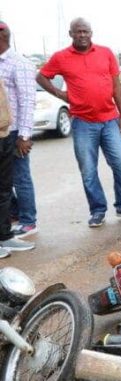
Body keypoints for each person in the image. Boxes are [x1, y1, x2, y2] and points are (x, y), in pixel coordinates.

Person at [37, 18, 121, 228]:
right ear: (71, 34)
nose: (82, 35)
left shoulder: (105, 53)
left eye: (86, 31)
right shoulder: (61, 57)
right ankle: (98, 210)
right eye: (78, 32)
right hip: (83, 123)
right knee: (88, 169)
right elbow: (41, 77)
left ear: (91, 33)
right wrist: (60, 93)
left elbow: (117, 87)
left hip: (110, 120)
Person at [0, 20, 35, 257]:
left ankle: (27, 221)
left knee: (15, 180)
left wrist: (24, 135)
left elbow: (27, 101)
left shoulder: (18, 63)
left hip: (11, 134)